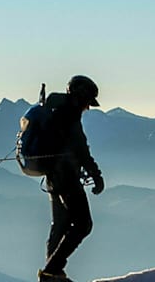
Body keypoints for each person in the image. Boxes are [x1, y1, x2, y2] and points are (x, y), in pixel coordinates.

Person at [39, 75, 105, 282]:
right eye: (87, 102)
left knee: (60, 225)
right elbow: (81, 148)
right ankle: (52, 272)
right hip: (66, 177)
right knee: (83, 224)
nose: (88, 107)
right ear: (80, 97)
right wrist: (96, 175)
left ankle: (52, 273)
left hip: (53, 177)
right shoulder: (69, 115)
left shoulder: (55, 112)